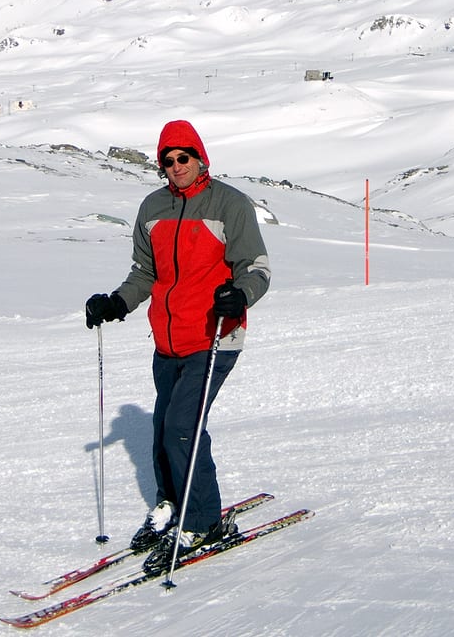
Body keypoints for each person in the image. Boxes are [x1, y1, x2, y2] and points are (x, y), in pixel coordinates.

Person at [85, 119, 270, 573]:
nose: (175, 166)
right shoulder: (153, 207)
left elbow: (257, 266)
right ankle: (171, 503)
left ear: (199, 157)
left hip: (215, 336)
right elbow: (145, 273)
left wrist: (240, 294)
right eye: (166, 160)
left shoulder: (229, 204)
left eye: (182, 157)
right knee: (164, 426)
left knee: (181, 426)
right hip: (168, 339)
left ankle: (205, 520)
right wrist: (117, 302)